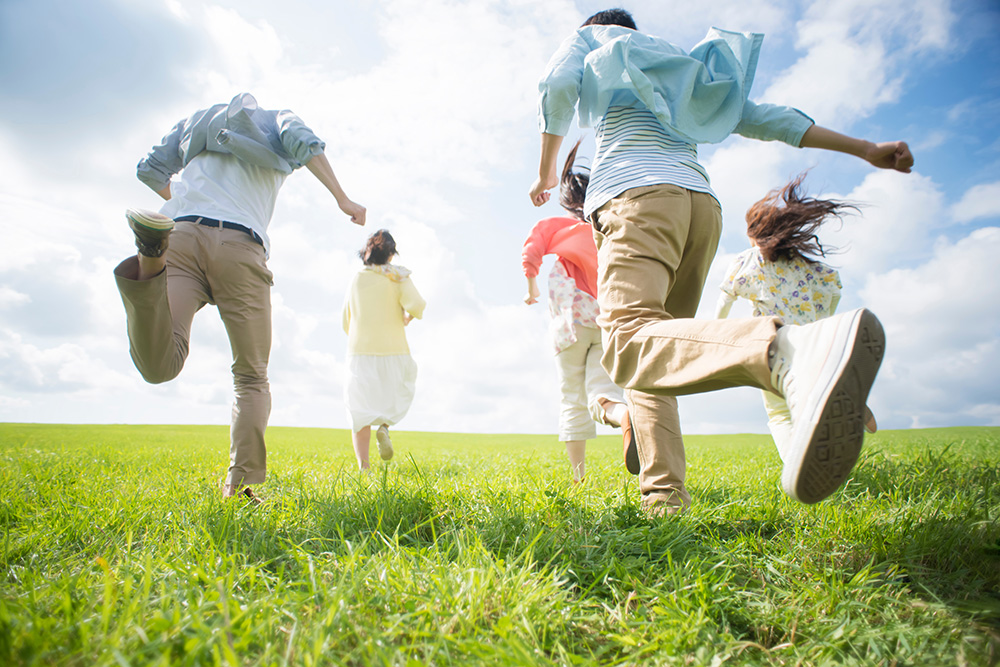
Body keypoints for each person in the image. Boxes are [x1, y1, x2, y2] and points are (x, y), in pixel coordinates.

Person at [529, 9, 912, 514]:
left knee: (626, 344)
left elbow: (556, 84)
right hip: (699, 209)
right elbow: (761, 116)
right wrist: (864, 148)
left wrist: (546, 171)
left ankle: (791, 351)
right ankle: (664, 500)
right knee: (656, 355)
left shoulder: (592, 42)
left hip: (635, 195)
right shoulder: (680, 64)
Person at [115, 92, 366, 504]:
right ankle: (238, 486)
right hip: (240, 245)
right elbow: (308, 145)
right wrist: (342, 197)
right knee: (251, 376)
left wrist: (183, 199)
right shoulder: (280, 120)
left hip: (180, 236)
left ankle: (149, 258)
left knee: (159, 367)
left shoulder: (199, 119)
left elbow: (149, 169)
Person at [715, 173, 877, 460]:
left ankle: (797, 466)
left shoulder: (748, 260)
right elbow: (834, 289)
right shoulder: (803, 263)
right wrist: (823, 320)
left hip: (772, 345)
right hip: (810, 342)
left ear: (752, 233)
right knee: (810, 392)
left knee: (779, 413)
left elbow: (725, 298)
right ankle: (842, 393)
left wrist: (718, 331)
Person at [522, 140, 629, 483]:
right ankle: (624, 416)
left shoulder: (563, 226)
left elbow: (532, 248)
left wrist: (532, 286)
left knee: (572, 398)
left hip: (570, 324)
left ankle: (579, 479)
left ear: (568, 200)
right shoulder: (608, 231)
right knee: (603, 391)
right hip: (605, 322)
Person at [342, 230, 425, 470]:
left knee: (359, 409)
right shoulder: (398, 277)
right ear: (390, 254)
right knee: (396, 392)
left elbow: (346, 319)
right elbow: (418, 305)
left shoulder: (357, 278)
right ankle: (385, 427)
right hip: (394, 350)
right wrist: (407, 318)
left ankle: (364, 468)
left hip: (360, 350)